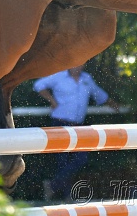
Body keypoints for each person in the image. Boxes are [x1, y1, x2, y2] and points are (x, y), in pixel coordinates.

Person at [33, 65, 120, 200]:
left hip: (78, 126)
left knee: (80, 159)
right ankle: (66, 195)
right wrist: (52, 101)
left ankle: (53, 186)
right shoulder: (58, 75)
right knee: (63, 161)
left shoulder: (86, 79)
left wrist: (113, 104)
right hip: (60, 125)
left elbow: (99, 95)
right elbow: (38, 85)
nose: (78, 66)